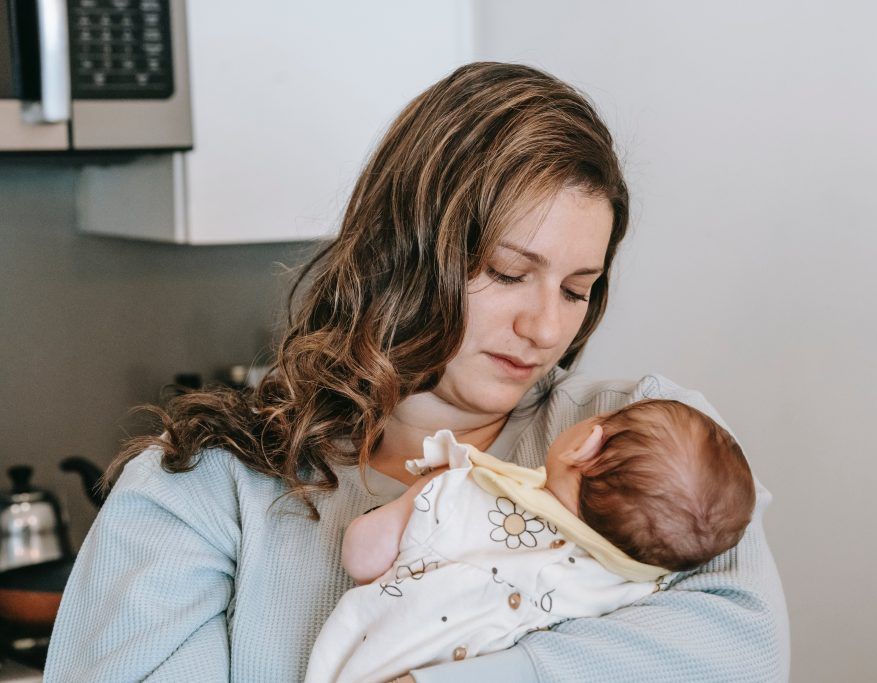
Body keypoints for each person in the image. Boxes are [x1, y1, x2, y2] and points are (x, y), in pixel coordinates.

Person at [44, 62, 789, 682]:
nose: (546, 327)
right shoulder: (203, 490)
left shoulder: (642, 438)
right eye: (506, 271)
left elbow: (741, 644)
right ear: (402, 250)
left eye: (574, 288)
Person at [306, 399, 757, 683]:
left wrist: (420, 495)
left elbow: (362, 555)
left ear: (585, 446)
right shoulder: (634, 590)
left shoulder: (466, 495)